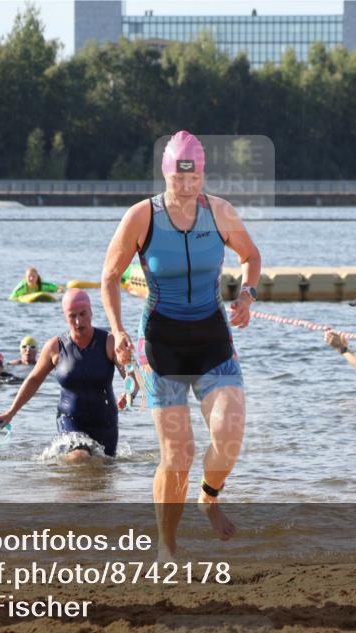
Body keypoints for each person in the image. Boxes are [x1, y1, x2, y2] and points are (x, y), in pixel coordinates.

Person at [100, 130, 261, 560]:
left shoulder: (220, 212)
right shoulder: (142, 217)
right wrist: (117, 331)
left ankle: (208, 498)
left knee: (228, 435)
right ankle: (166, 547)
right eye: (179, 179)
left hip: (213, 342)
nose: (187, 188)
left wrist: (246, 296)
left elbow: (251, 257)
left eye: (194, 179)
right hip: (162, 347)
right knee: (178, 455)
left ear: (203, 174)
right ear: (166, 173)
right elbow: (109, 278)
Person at [0, 289, 136, 462]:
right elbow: (34, 380)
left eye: (83, 314)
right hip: (70, 420)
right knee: (79, 457)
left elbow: (132, 377)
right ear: (65, 317)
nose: (78, 321)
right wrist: (11, 412)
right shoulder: (55, 347)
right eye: (72, 316)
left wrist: (129, 395)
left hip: (104, 422)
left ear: (91, 311)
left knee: (103, 474)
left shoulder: (109, 342)